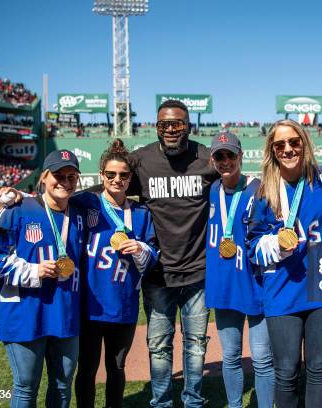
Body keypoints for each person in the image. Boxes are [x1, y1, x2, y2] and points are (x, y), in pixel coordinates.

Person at [247, 119, 322, 408]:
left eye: (294, 142)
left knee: (318, 368)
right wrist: (275, 243)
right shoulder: (264, 191)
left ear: (304, 143)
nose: (288, 149)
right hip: (282, 290)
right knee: (287, 372)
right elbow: (253, 246)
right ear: (272, 150)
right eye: (280, 144)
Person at [127, 99, 219, 407]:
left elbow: (236, 188)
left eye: (177, 123)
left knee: (196, 347)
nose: (170, 130)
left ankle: (193, 401)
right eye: (163, 124)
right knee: (159, 346)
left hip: (198, 273)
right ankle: (162, 403)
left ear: (189, 126)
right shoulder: (140, 161)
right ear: (156, 127)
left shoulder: (207, 159)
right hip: (157, 275)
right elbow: (110, 187)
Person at [0, 150, 85, 407]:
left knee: (62, 386)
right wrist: (33, 271)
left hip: (65, 313)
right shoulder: (18, 209)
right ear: (44, 178)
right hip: (25, 312)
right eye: (58, 175)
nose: (65, 182)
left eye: (72, 177)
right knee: (26, 387)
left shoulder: (79, 213)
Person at [72, 139, 160, 408]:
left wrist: (141, 249)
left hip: (123, 305)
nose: (117, 180)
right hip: (89, 305)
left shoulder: (142, 214)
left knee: (116, 367)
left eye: (123, 175)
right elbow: (55, 199)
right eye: (110, 174)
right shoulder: (86, 203)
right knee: (86, 368)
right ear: (101, 176)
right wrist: (19, 196)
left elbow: (153, 258)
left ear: (130, 178)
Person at [205, 131, 274, 408]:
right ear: (213, 160)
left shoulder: (259, 189)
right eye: (219, 156)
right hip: (223, 287)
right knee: (230, 356)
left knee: (262, 359)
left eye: (230, 155)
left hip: (254, 284)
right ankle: (235, 405)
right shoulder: (212, 191)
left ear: (240, 156)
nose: (225, 161)